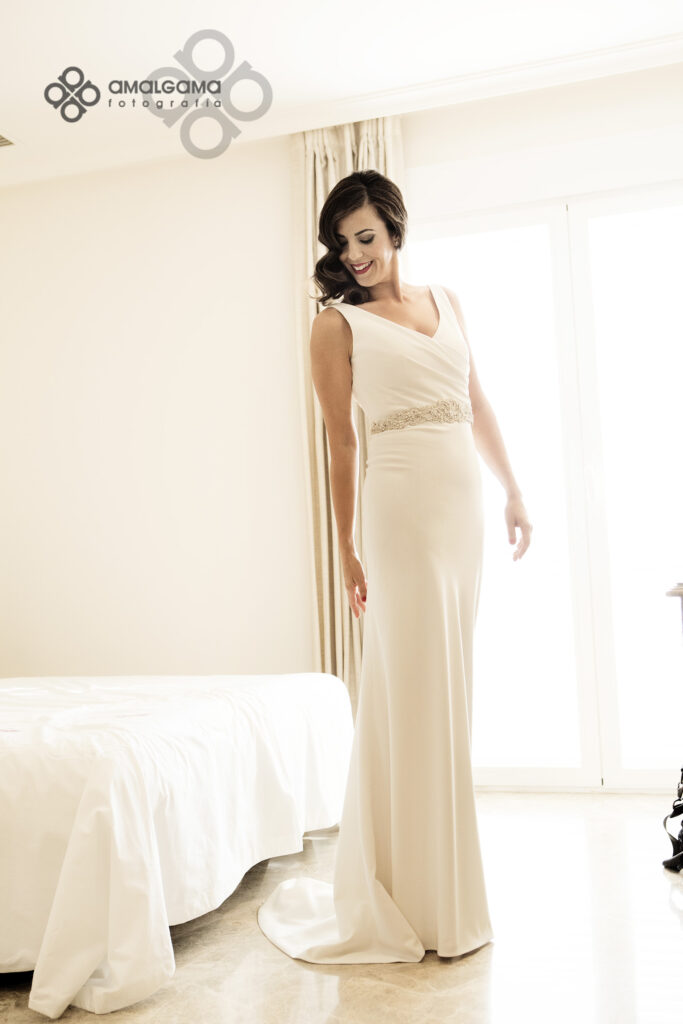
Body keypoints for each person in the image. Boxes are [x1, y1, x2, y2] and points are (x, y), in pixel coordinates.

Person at [257, 170, 533, 962]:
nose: (355, 254)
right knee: (410, 688)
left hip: (460, 512)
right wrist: (346, 545)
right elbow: (342, 443)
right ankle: (409, 893)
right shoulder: (335, 326)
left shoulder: (448, 301)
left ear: (395, 229)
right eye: (343, 244)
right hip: (399, 515)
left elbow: (476, 403)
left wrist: (513, 491)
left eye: (366, 237)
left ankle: (443, 890)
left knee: (449, 689)